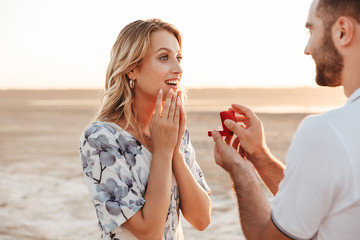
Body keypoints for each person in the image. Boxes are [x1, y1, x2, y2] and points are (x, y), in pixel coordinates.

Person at [211, 0, 360, 239]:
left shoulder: (326, 131)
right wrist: (259, 155)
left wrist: (240, 169)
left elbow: (267, 236)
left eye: (311, 31)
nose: (307, 48)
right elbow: (309, 204)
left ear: (342, 31)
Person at [79, 19, 211, 240]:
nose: (178, 69)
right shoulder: (100, 138)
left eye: (178, 58)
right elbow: (150, 233)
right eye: (164, 57)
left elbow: (201, 219)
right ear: (132, 69)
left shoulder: (172, 129)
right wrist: (163, 151)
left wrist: (174, 150)